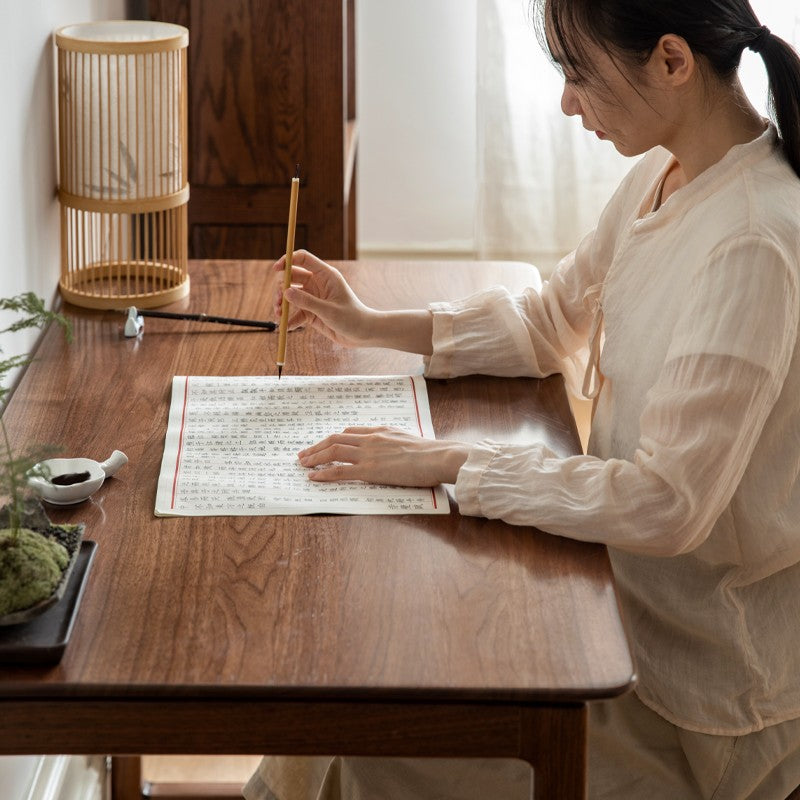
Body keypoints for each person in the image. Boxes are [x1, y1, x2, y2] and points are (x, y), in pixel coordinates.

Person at [244, 0, 800, 797]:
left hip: (698, 702)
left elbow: (666, 504)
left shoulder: (753, 240)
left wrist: (447, 464)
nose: (568, 102)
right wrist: (365, 321)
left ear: (672, 62)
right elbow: (550, 321)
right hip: (611, 615)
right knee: (343, 703)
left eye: (580, 74)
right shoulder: (664, 173)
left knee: (367, 740)